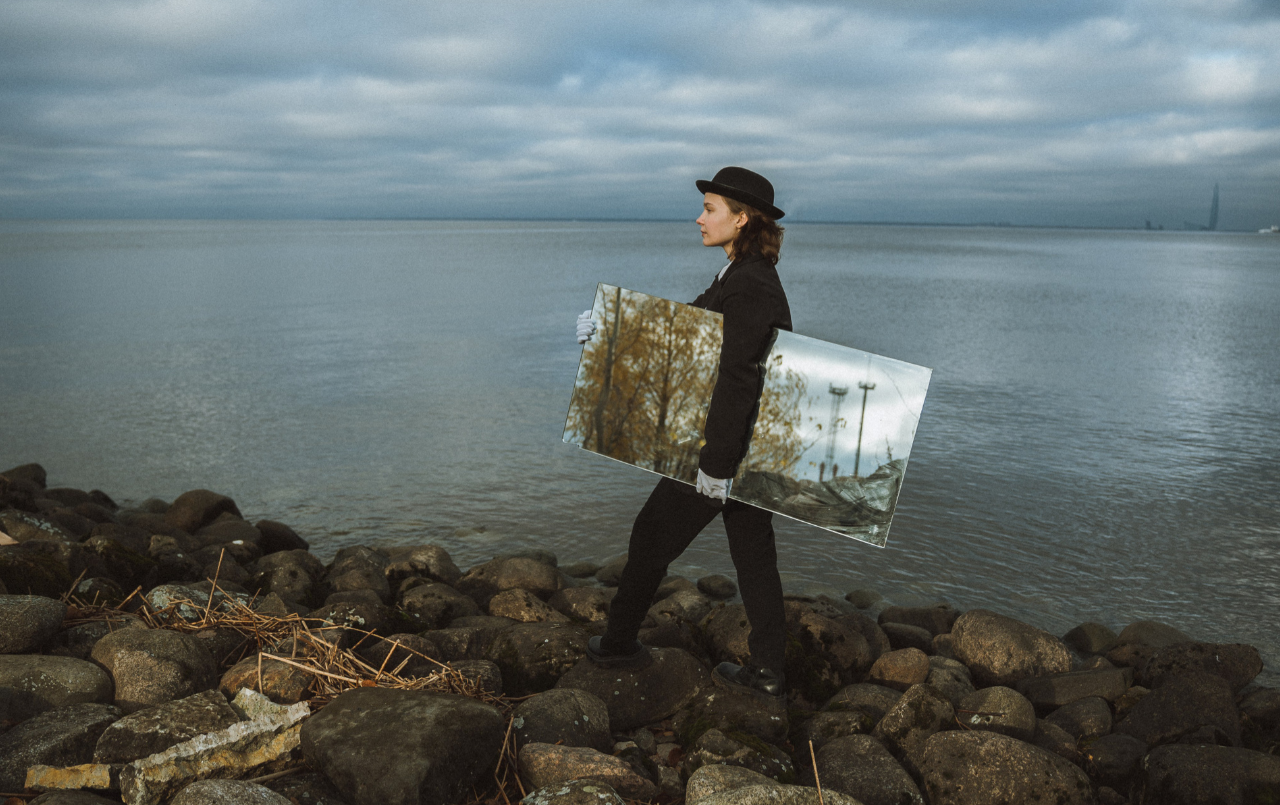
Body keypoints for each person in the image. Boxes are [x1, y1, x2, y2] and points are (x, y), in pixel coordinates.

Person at [574, 166, 792, 698]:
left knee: (651, 536)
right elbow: (680, 332)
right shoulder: (737, 277)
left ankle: (620, 643)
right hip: (746, 446)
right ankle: (769, 674)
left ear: (742, 219)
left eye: (711, 209)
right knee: (754, 557)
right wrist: (603, 332)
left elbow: (735, 380)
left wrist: (714, 468)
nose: (700, 218)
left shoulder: (749, 287)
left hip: (724, 450)